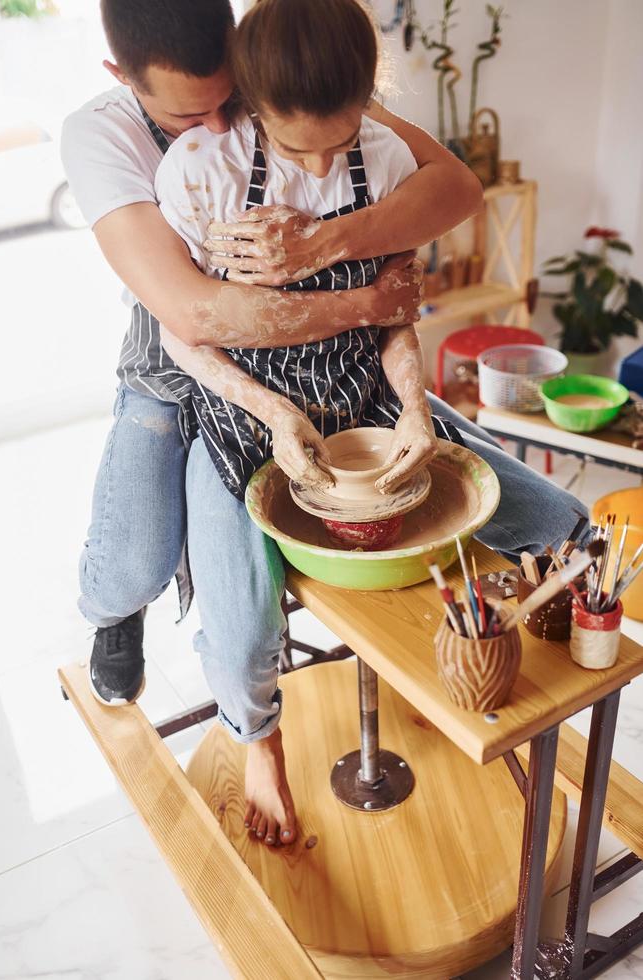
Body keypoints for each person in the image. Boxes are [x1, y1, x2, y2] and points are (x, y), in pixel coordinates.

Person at [152, 0, 590, 849]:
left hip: (369, 401)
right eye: (294, 146)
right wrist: (277, 413)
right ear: (250, 102)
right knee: (244, 645)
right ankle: (263, 748)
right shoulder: (199, 170)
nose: (320, 163)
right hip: (247, 413)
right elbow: (183, 331)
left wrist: (420, 407)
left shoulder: (388, 157)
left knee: (564, 527)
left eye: (339, 142)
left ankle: (505, 709)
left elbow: (393, 314)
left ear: (371, 100)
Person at [60, 0, 483, 707]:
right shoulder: (99, 136)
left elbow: (455, 188)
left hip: (327, 355)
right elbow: (193, 315)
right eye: (188, 120)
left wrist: (328, 244)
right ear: (122, 79)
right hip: (174, 368)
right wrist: (366, 306)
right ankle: (115, 615)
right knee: (138, 561)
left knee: (475, 487)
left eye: (233, 100)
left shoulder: (286, 93)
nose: (222, 128)